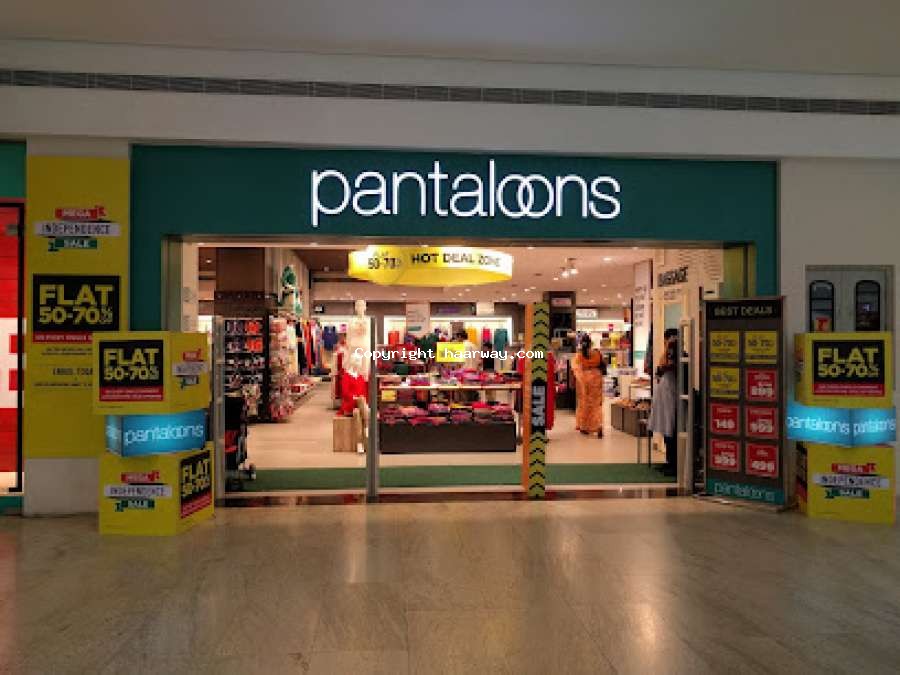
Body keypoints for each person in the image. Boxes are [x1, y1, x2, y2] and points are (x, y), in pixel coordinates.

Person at [648, 332, 678, 475]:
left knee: (670, 428)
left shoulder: (677, 353)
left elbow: (668, 368)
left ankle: (674, 464)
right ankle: (669, 461)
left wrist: (663, 368)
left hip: (671, 394)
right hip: (665, 393)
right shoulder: (666, 354)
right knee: (667, 429)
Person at [573, 335, 607, 438]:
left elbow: (577, 370)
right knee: (597, 405)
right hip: (597, 379)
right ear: (590, 343)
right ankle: (599, 425)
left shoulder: (579, 356)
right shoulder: (597, 353)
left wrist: (581, 380)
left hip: (585, 381)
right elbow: (602, 366)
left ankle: (585, 426)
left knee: (585, 404)